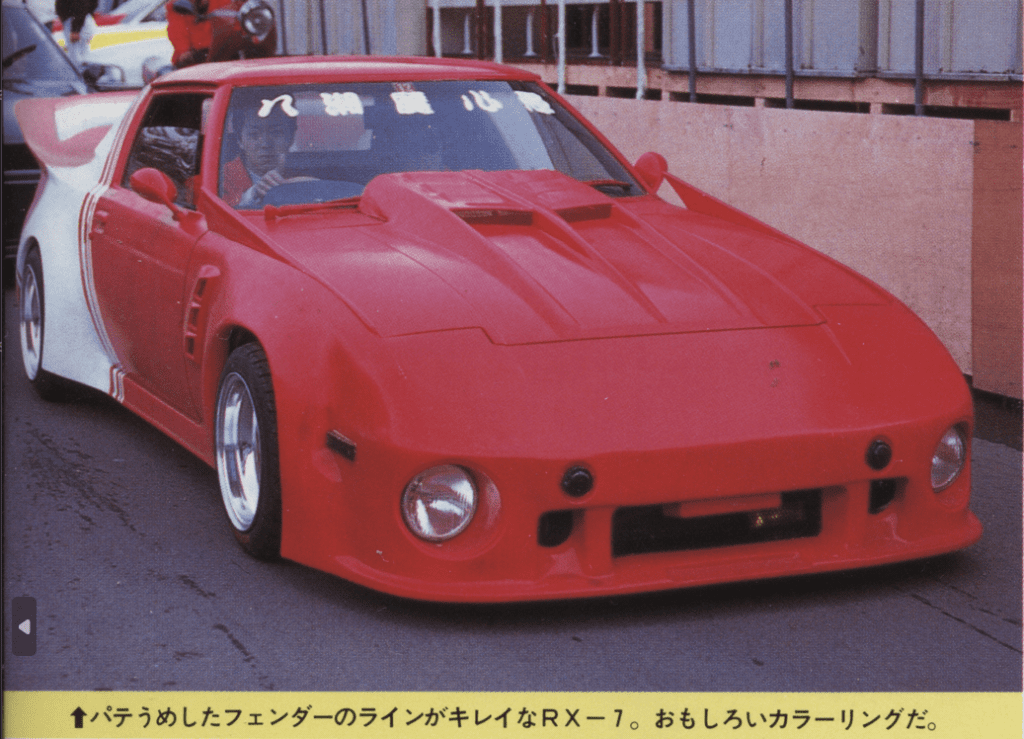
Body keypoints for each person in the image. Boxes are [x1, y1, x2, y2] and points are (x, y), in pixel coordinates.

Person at [221, 101, 301, 208]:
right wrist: (252, 194)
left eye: (276, 132)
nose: (265, 144)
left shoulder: (305, 174)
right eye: (254, 134)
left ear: (291, 137)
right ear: (239, 139)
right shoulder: (221, 178)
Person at [165, 0, 231, 68]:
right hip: (196, 56)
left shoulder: (222, 2)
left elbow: (234, 16)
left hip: (224, 50)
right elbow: (177, 32)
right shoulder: (177, 5)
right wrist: (184, 52)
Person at [54, 0, 97, 66]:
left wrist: (75, 30)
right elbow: (93, 4)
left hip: (74, 21)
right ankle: (83, 69)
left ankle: (79, 71)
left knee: (75, 54)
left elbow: (80, 7)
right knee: (83, 52)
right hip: (83, 19)